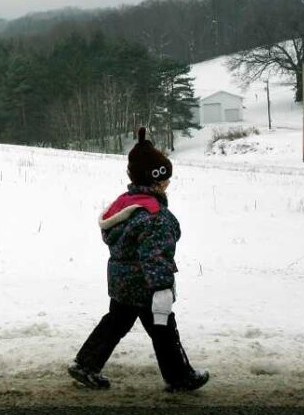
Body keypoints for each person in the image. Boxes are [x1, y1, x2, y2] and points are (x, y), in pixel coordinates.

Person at [68, 127, 209, 392]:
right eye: (165, 178)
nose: (168, 183)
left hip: (122, 279)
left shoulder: (126, 204)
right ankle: (179, 377)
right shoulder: (155, 216)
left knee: (117, 322)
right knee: (163, 328)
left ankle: (86, 364)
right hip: (145, 284)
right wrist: (162, 289)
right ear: (156, 179)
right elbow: (155, 256)